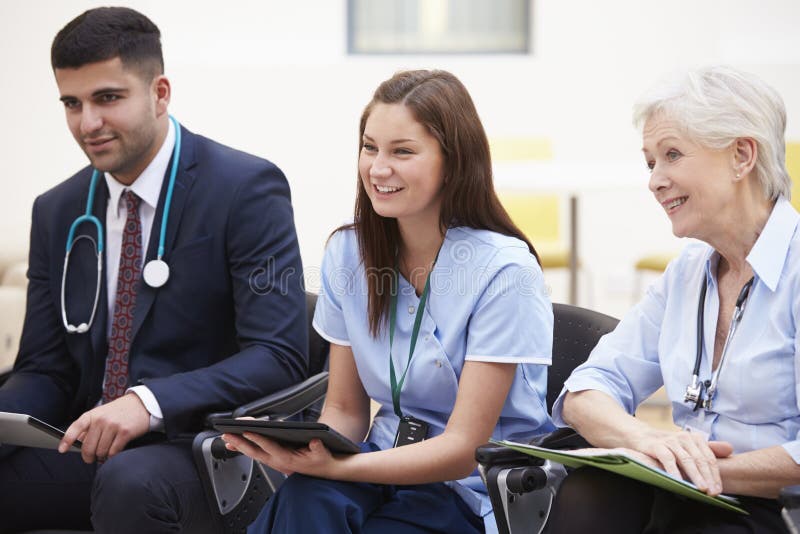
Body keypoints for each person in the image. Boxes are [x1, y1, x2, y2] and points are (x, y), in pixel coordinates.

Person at [0, 7, 308, 533]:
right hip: (91, 442)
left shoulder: (245, 190)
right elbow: (46, 370)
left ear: (159, 93)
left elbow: (278, 358)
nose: (87, 123)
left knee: (129, 483)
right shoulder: (58, 210)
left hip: (203, 447)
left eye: (107, 98)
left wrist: (147, 402)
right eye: (72, 103)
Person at [222, 69, 555, 533]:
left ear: (453, 162)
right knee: (305, 498)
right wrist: (301, 452)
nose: (378, 169)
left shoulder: (504, 270)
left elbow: (464, 449)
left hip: (470, 487)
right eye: (369, 147)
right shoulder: (349, 253)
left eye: (402, 151)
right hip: (380, 462)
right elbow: (346, 411)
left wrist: (338, 468)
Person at [547, 65, 800, 533]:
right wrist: (644, 439)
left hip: (771, 506)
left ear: (741, 156)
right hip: (687, 490)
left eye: (672, 155)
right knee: (589, 494)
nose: (655, 181)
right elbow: (585, 391)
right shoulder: (687, 271)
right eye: (651, 163)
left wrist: (696, 471)